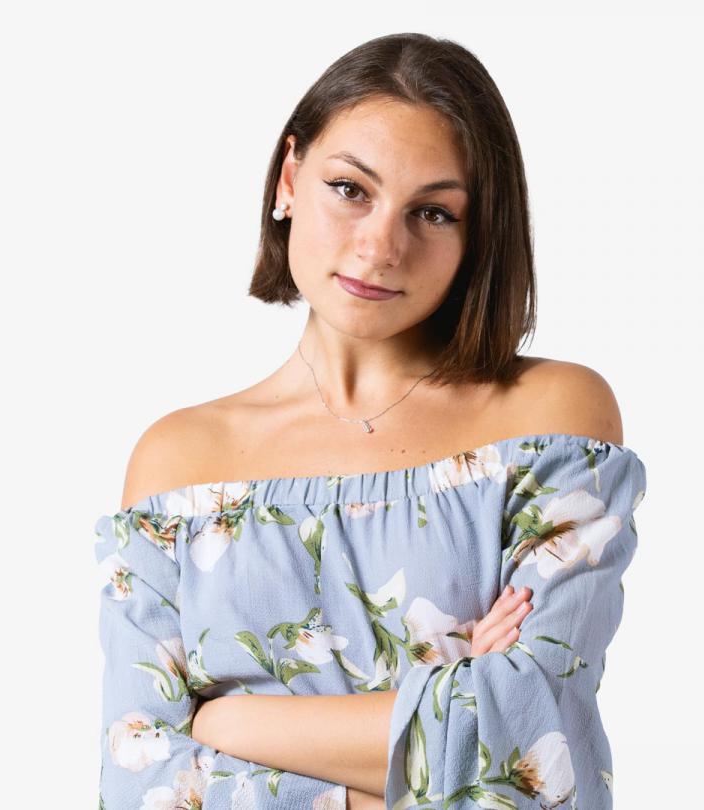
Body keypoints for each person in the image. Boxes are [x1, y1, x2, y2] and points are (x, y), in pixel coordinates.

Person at [92, 32, 648, 810]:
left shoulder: (550, 421)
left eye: (433, 212)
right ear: (289, 180)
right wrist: (446, 706)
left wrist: (226, 723)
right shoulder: (181, 462)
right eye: (350, 189)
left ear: (477, 234)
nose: (381, 246)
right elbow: (139, 779)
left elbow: (532, 752)